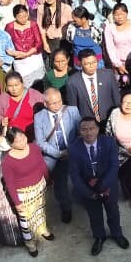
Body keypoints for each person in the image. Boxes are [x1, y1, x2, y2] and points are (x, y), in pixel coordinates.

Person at [69, 117, 129, 256]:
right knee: (94, 214)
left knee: (113, 211)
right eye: (84, 129)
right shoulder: (74, 148)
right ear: (79, 132)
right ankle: (99, 237)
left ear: (97, 129)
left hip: (108, 185)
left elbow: (114, 166)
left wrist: (103, 185)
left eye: (92, 128)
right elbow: (75, 176)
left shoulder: (109, 142)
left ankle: (117, 233)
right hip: (88, 188)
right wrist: (88, 193)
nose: (88, 133)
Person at [34, 88, 78, 223]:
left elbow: (81, 132)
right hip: (53, 156)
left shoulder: (72, 111)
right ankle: (66, 208)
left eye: (59, 101)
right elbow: (40, 142)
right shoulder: (39, 117)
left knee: (80, 178)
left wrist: (72, 150)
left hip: (73, 152)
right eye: (53, 103)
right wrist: (58, 154)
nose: (57, 105)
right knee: (60, 185)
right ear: (45, 104)